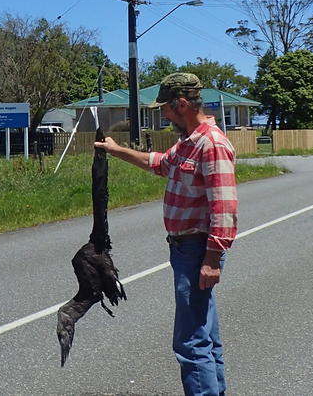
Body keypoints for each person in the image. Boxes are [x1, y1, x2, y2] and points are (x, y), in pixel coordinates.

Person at [94, 73, 238, 396]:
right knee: (205, 338)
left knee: (190, 342)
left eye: (166, 109)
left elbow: (225, 207)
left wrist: (212, 258)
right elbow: (157, 163)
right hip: (185, 251)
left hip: (197, 250)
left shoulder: (211, 144)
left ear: (182, 104)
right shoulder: (188, 142)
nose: (163, 115)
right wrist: (116, 150)